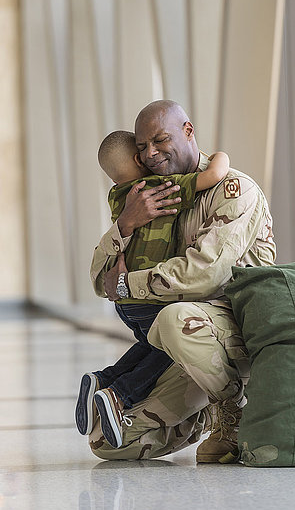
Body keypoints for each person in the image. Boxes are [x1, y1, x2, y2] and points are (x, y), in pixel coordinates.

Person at [89, 99, 276, 463]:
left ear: (188, 131)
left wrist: (129, 285)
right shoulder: (153, 194)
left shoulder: (234, 191)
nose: (151, 153)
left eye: (160, 140)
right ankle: (205, 412)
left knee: (173, 319)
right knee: (108, 444)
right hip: (184, 340)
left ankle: (234, 410)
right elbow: (100, 279)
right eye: (142, 147)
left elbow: (202, 276)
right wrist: (126, 224)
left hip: (235, 331)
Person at [75, 130, 230, 449]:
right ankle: (120, 394)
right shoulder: (158, 188)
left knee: (151, 342)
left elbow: (99, 271)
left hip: (125, 301)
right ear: (137, 159)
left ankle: (105, 379)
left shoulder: (118, 195)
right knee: (167, 345)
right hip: (146, 295)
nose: (152, 155)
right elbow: (214, 173)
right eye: (144, 150)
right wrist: (221, 156)